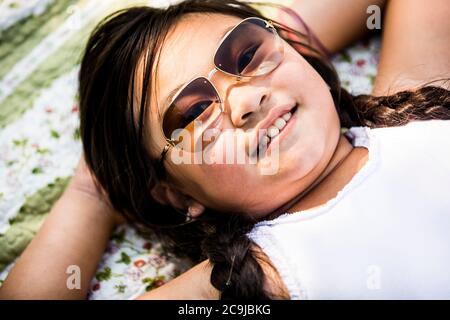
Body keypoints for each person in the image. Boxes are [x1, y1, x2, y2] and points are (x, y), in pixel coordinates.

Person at [1, 0, 449, 299]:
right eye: (194, 113)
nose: (247, 101)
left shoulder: (412, 105)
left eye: (246, 55)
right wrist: (94, 192)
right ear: (177, 194)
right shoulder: (252, 278)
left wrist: (281, 47)